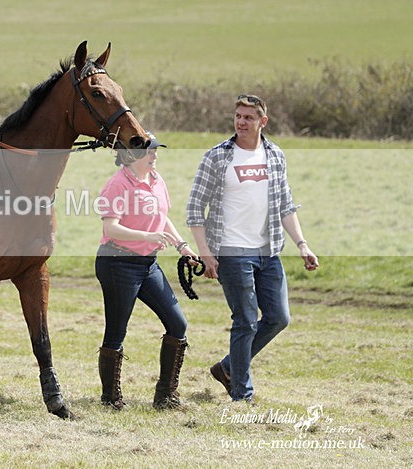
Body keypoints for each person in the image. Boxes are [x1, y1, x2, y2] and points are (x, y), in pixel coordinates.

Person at [186, 93, 319, 402]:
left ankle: (228, 367)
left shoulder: (275, 156)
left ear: (263, 121)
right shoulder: (217, 157)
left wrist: (302, 244)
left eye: (248, 117)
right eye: (238, 116)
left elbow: (286, 206)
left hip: (268, 251)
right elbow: (195, 209)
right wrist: (206, 254)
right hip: (231, 251)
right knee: (245, 320)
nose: (241, 122)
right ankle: (242, 394)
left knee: (278, 318)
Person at [95, 133, 199, 410]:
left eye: (155, 151)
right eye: (150, 152)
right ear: (132, 156)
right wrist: (148, 235)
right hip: (117, 263)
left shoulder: (156, 180)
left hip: (147, 263)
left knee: (178, 324)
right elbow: (110, 228)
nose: (155, 156)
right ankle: (111, 399)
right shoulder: (117, 184)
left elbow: (162, 217)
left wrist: (182, 246)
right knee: (116, 331)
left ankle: (165, 396)